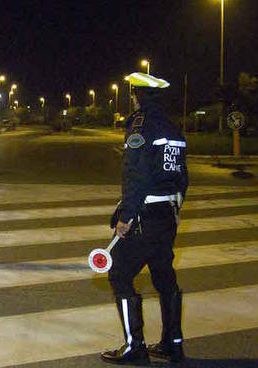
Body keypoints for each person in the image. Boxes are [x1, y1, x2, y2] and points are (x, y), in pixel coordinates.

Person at [101, 72, 188, 365]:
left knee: (119, 274)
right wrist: (176, 210)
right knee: (164, 276)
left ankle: (134, 346)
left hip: (145, 215)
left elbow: (135, 176)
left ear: (137, 95)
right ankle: (172, 344)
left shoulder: (141, 126)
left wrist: (126, 216)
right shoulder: (173, 128)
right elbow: (182, 177)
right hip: (168, 215)